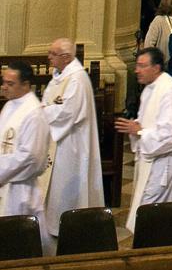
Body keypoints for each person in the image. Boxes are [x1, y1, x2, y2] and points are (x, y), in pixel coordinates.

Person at [116, 47, 172, 234]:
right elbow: (149, 121)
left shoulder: (169, 90)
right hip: (151, 161)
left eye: (141, 65)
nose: (136, 70)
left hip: (163, 164)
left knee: (154, 217)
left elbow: (171, 135)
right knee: (147, 215)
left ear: (156, 67)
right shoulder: (149, 89)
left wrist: (140, 131)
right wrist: (136, 126)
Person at [40, 38, 104, 238]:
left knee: (67, 186)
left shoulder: (76, 79)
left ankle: (69, 227)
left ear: (66, 57)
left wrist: (41, 112)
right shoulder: (60, 75)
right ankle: (53, 223)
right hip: (58, 141)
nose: (49, 57)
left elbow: (67, 113)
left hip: (71, 145)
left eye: (53, 54)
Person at [0, 62, 50, 243]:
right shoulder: (10, 105)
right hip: (6, 184)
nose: (4, 87)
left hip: (20, 191)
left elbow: (30, 158)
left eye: (10, 83)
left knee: (19, 242)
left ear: (26, 85)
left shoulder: (34, 114)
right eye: (3, 82)